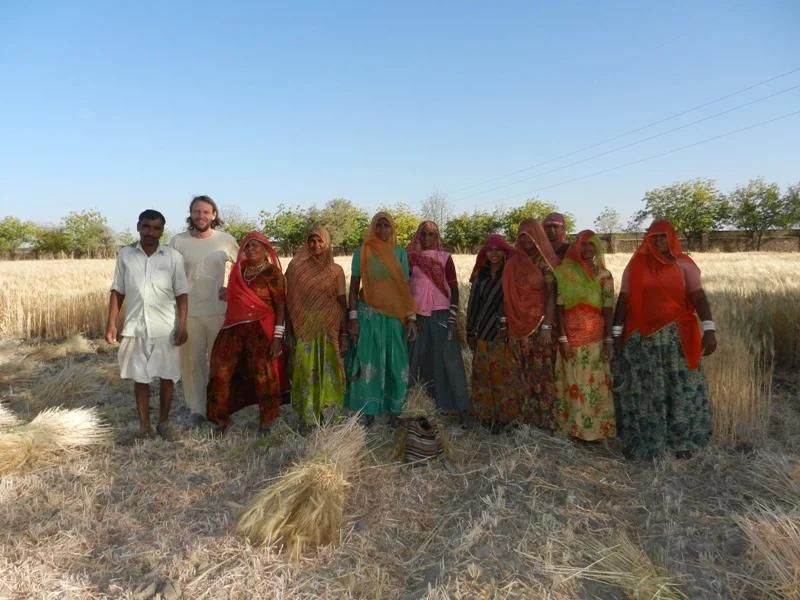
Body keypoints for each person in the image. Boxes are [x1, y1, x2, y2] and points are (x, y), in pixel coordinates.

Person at [612, 220, 717, 460]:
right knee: (646, 389)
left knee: (679, 386)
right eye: (654, 237)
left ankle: (682, 442)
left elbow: (698, 296)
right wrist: (616, 333)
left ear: (672, 238)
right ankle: (645, 442)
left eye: (663, 236)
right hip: (642, 341)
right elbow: (624, 298)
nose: (659, 241)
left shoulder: (684, 264)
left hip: (676, 339)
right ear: (648, 239)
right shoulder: (636, 265)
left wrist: (709, 329)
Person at [105, 209, 189, 439]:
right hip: (135, 327)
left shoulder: (172, 257)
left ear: (162, 230)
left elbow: (182, 293)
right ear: (138, 227)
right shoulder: (125, 255)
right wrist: (111, 323)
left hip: (166, 328)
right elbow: (117, 290)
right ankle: (144, 426)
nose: (150, 232)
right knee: (140, 378)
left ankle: (163, 423)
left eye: (156, 228)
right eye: (146, 227)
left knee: (167, 377)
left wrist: (182, 325)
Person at [206, 231, 286, 435]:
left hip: (260, 329)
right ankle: (220, 419)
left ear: (265, 249)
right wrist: (228, 294)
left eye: (255, 246)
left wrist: (278, 337)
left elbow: (281, 306)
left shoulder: (272, 273)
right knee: (220, 371)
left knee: (263, 375)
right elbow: (236, 296)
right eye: (247, 246)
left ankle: (267, 420)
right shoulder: (238, 270)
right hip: (233, 328)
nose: (250, 249)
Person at [169, 195, 239, 427]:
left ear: (214, 215)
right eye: (197, 212)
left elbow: (244, 269)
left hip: (218, 312)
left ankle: (220, 408)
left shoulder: (226, 240)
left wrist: (231, 289)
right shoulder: (178, 241)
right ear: (191, 214)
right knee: (192, 363)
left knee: (220, 364)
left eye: (206, 212)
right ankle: (197, 410)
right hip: (189, 313)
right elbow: (168, 274)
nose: (201, 216)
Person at [345, 212, 417, 425]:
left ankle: (395, 410)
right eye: (379, 225)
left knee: (395, 362)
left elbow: (404, 289)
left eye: (387, 226)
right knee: (369, 361)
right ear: (372, 228)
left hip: (394, 318)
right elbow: (352, 289)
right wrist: (353, 317)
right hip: (368, 316)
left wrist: (411, 318)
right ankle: (369, 410)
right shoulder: (362, 253)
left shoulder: (400, 253)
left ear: (392, 229)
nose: (383, 230)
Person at [553, 230, 616, 441]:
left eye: (591, 245)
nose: (587, 249)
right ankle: (574, 430)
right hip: (570, 337)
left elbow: (608, 308)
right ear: (575, 248)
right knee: (572, 382)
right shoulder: (565, 273)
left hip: (596, 339)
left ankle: (595, 432)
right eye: (582, 245)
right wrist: (562, 338)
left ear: (597, 248)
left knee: (594, 385)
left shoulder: (604, 276)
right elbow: (559, 307)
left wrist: (609, 339)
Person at [285, 226, 348, 428]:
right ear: (306, 243)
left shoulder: (335, 270)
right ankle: (308, 415)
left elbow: (341, 300)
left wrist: (345, 329)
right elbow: (290, 298)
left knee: (330, 367)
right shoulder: (296, 268)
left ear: (328, 243)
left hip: (330, 324)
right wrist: (289, 327)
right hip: (304, 324)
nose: (316, 245)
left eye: (320, 241)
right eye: (312, 241)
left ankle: (329, 412)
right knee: (305, 367)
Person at [406, 221, 470, 419]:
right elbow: (406, 288)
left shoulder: (445, 258)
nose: (427, 238)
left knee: (447, 360)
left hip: (442, 315)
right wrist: (410, 317)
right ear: (418, 236)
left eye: (431, 234)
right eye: (423, 234)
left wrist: (452, 317)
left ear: (437, 237)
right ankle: (415, 403)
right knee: (417, 358)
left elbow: (453, 287)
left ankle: (455, 406)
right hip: (417, 317)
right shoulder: (411, 259)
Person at [502, 218, 560, 430]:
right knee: (520, 372)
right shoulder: (513, 263)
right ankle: (523, 417)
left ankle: (544, 419)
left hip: (540, 325)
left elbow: (553, 295)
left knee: (541, 373)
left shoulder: (546, 262)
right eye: (521, 236)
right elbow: (507, 295)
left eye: (530, 236)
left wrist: (547, 326)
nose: (525, 241)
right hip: (517, 325)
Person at [466, 234, 523, 433]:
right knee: (482, 375)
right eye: (490, 250)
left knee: (504, 377)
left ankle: (505, 418)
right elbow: (473, 303)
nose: (494, 254)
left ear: (505, 251)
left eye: (498, 249)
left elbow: (516, 302)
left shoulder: (511, 273)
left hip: (503, 332)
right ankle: (485, 416)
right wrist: (469, 330)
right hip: (482, 330)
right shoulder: (480, 274)